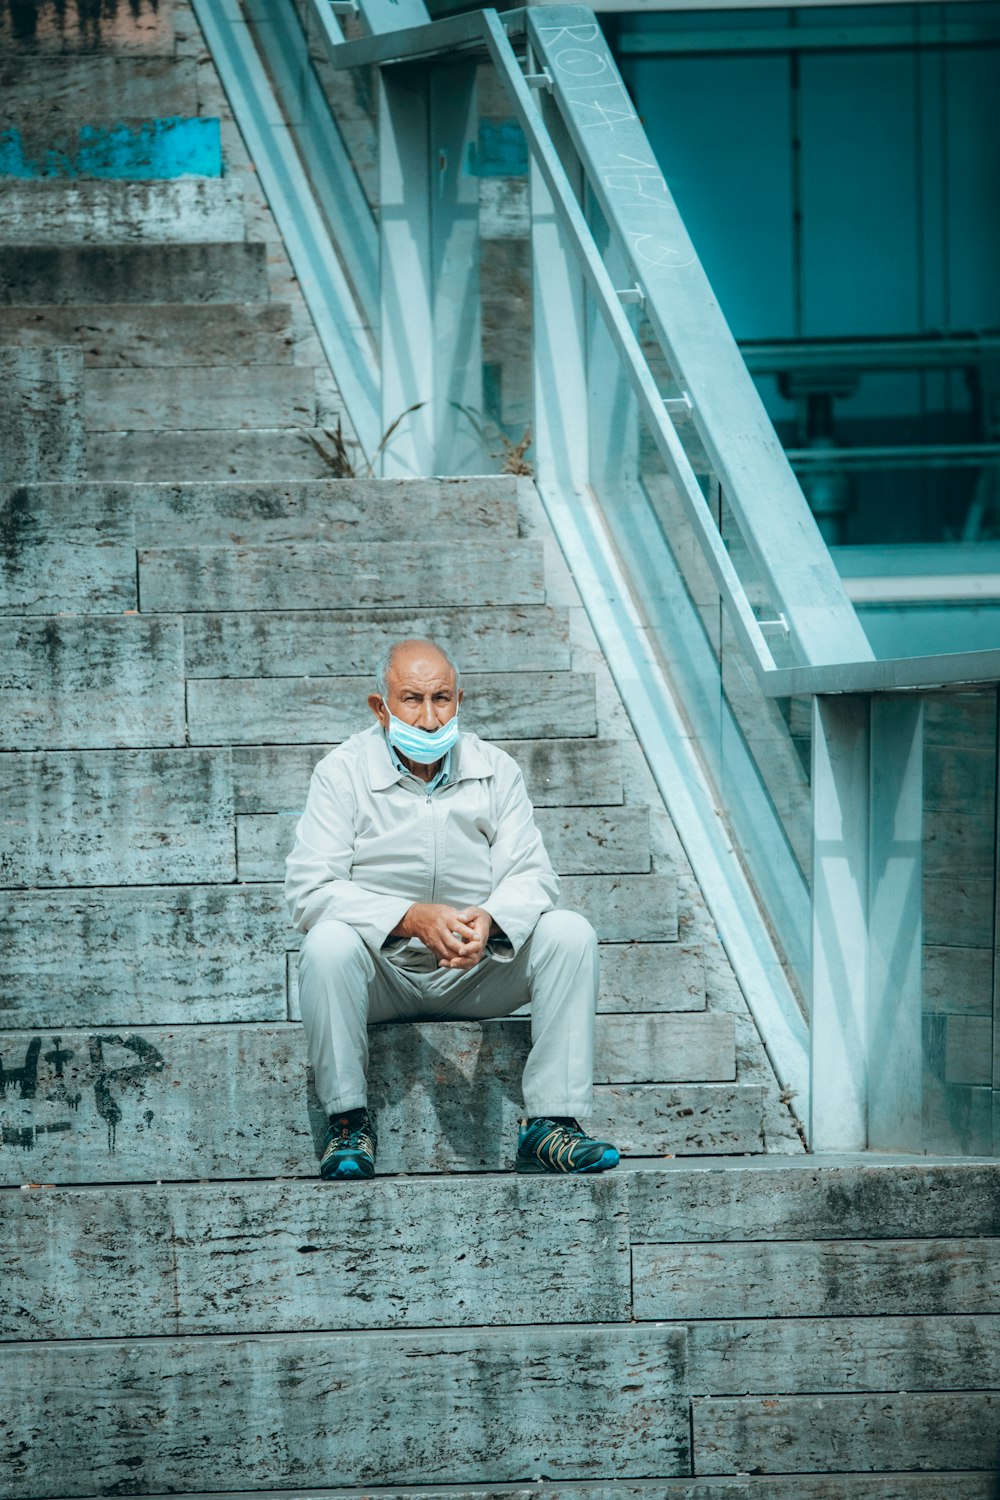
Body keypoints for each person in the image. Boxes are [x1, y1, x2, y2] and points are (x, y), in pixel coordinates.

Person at [285, 637, 619, 1180]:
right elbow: (309, 889)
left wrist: (490, 923)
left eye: (442, 698)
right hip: (381, 976)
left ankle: (551, 1125)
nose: (429, 715)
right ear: (381, 706)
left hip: (475, 972)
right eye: (411, 699)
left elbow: (533, 876)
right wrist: (411, 918)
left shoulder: (495, 769)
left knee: (569, 932)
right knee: (326, 944)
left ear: (460, 701)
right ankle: (347, 1124)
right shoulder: (340, 773)